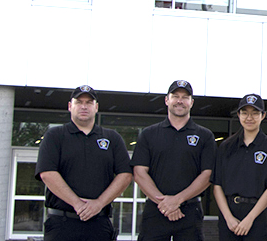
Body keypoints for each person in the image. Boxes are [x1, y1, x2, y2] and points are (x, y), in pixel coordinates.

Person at [35, 85, 133, 241]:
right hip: (62, 224)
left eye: (89, 102)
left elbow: (126, 175)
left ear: (96, 107)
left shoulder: (112, 138)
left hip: (99, 224)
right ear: (70, 106)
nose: (84, 106)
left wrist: (99, 204)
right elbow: (47, 173)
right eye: (79, 102)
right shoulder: (55, 136)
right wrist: (77, 204)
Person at [130, 80, 216, 241]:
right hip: (155, 211)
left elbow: (207, 174)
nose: (180, 101)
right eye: (175, 96)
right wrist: (165, 204)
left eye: (185, 97)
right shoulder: (149, 134)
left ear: (191, 102)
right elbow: (139, 172)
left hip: (190, 211)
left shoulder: (205, 136)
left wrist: (177, 200)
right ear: (166, 100)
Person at [212, 94, 267, 241]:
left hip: (258, 216)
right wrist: (228, 218)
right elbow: (217, 185)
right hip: (229, 215)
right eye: (245, 113)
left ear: (263, 116)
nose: (249, 117)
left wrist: (250, 219)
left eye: (255, 113)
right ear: (238, 115)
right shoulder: (226, 146)